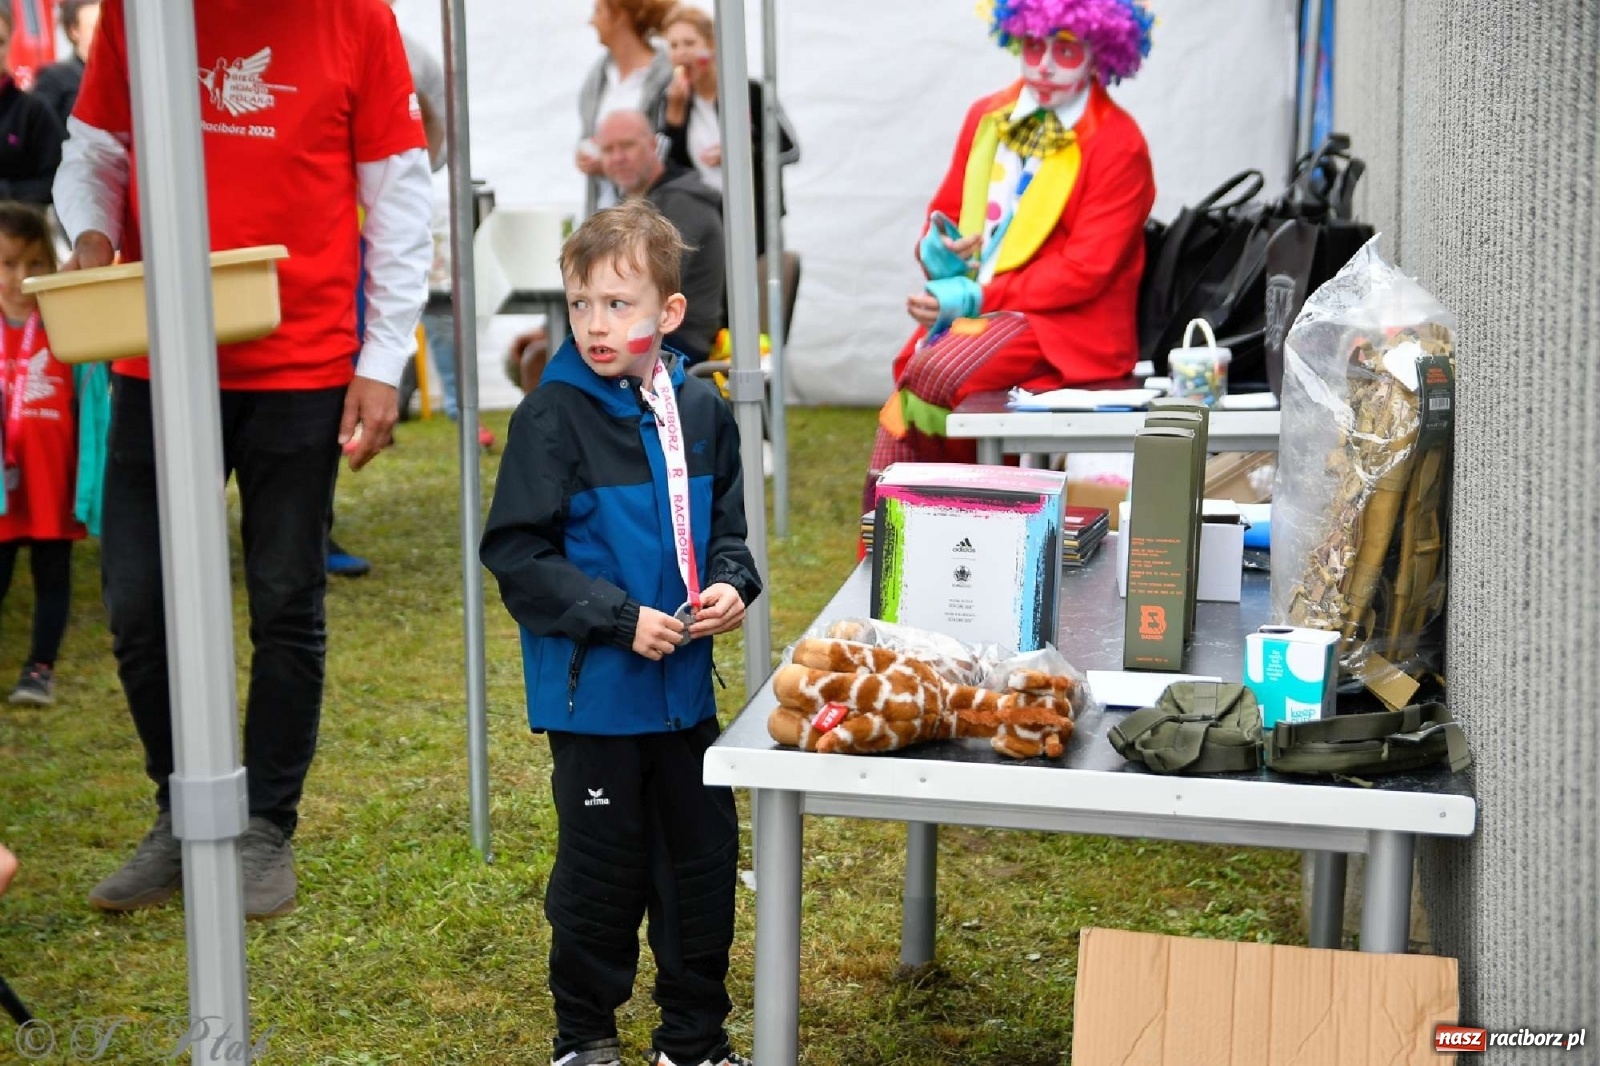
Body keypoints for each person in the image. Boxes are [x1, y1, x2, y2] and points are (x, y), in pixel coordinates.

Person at [54, 0, 432, 918]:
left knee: (283, 599)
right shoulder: (137, 13)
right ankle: (181, 810)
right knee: (139, 603)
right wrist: (93, 235)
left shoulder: (356, 17)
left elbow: (400, 190)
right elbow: (95, 150)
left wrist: (382, 362)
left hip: (300, 360)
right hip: (158, 346)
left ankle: (264, 823)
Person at [480, 200, 759, 1066]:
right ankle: (585, 1037)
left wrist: (730, 585)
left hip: (685, 703)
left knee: (703, 869)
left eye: (618, 305)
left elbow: (727, 532)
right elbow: (517, 554)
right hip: (597, 700)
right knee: (603, 875)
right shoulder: (550, 417)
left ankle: (693, 1038)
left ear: (669, 314)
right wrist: (616, 618)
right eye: (580, 304)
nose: (596, 325)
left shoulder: (704, 411)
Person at [865, 0, 1156, 509]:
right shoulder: (988, 116)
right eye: (1034, 45)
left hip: (1067, 327)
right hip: (989, 309)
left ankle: (985, 516)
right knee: (913, 365)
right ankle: (917, 530)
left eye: (1065, 51)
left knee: (940, 369)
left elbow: (1085, 271)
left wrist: (975, 295)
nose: (1044, 64)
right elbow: (945, 211)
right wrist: (941, 247)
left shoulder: (1118, 142)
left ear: (1099, 54)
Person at [0, 202, 104, 706]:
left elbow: (95, 407)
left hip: (51, 481)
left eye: (34, 264)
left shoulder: (67, 328)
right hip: (4, 487)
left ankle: (39, 668)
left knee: (52, 574)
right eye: (7, 264)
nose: (21, 278)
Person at [660, 3, 798, 256]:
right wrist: (673, 122)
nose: (681, 53)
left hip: (754, 221)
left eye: (689, 43)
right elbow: (667, 171)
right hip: (702, 224)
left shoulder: (750, 93)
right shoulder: (674, 100)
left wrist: (743, 151)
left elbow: (790, 150)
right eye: (673, 45)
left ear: (711, 46)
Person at [596, 109, 722, 364]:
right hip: (636, 330)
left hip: (679, 340)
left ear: (653, 144)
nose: (618, 157)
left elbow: (646, 286)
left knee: (554, 356)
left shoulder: (683, 204)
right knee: (540, 350)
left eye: (627, 146)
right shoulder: (632, 204)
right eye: (608, 150)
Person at [576, 0, 676, 218]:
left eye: (598, 11)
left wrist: (609, 162)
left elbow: (671, 149)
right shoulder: (597, 77)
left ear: (620, 15)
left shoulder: (667, 75)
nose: (592, 21)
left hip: (651, 216)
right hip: (603, 214)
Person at [0, 9, 63, 208]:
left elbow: (57, 180)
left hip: (15, 230)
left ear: (9, 43)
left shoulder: (32, 111)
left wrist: (7, 193)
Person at [31, 0, 100, 127]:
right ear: (74, 31)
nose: (102, 34)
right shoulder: (54, 78)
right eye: (94, 28)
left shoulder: (120, 75)